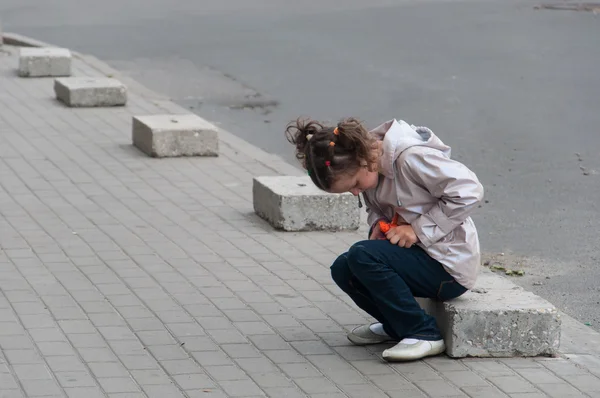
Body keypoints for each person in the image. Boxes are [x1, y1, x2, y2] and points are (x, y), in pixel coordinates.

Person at [285, 117, 484, 362]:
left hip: (448, 265)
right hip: (421, 256)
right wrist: (378, 227)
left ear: (364, 160)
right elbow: (379, 208)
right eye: (350, 191)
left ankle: (423, 333)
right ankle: (396, 325)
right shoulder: (372, 166)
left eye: (356, 185)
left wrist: (417, 230)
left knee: (362, 255)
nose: (356, 192)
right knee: (344, 267)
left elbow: (469, 191)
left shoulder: (410, 158)